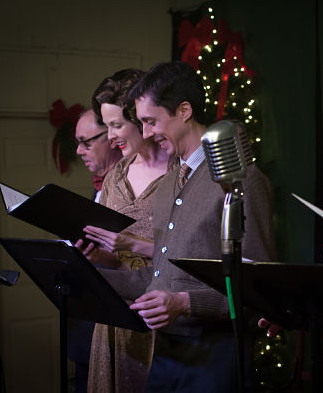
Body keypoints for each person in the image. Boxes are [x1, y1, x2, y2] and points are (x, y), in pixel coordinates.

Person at [97, 61, 275, 393]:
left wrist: (184, 302)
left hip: (217, 355)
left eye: (151, 121)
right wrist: (88, 275)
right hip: (166, 352)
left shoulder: (243, 180)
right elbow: (160, 276)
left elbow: (257, 284)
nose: (147, 133)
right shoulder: (168, 185)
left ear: (184, 110)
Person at [78, 68, 173, 393]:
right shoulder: (115, 176)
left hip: (161, 316)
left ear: (142, 119)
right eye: (106, 127)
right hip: (116, 317)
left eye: (117, 125)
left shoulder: (179, 170)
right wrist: (98, 254)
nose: (112, 135)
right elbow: (116, 256)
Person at [68, 108, 122, 393]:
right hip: (85, 332)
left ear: (112, 137)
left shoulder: (134, 187)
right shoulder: (99, 189)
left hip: (119, 331)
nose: (79, 151)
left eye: (86, 142)